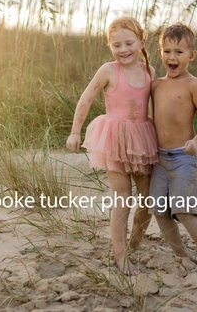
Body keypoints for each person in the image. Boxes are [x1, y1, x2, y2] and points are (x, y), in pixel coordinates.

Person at [66, 16, 157, 276]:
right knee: (122, 200)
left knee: (147, 199)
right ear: (110, 46)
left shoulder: (148, 71)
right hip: (114, 140)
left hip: (142, 139)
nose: (123, 49)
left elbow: (153, 108)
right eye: (116, 45)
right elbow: (86, 99)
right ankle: (120, 255)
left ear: (141, 42)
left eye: (129, 43)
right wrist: (75, 132)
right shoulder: (108, 70)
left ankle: (134, 244)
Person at [149, 22, 197, 280]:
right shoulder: (155, 85)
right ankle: (180, 254)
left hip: (184, 157)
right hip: (158, 158)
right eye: (167, 51)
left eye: (179, 52)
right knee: (159, 209)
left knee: (182, 209)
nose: (172, 57)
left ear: (191, 55)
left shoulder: (194, 85)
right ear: (160, 54)